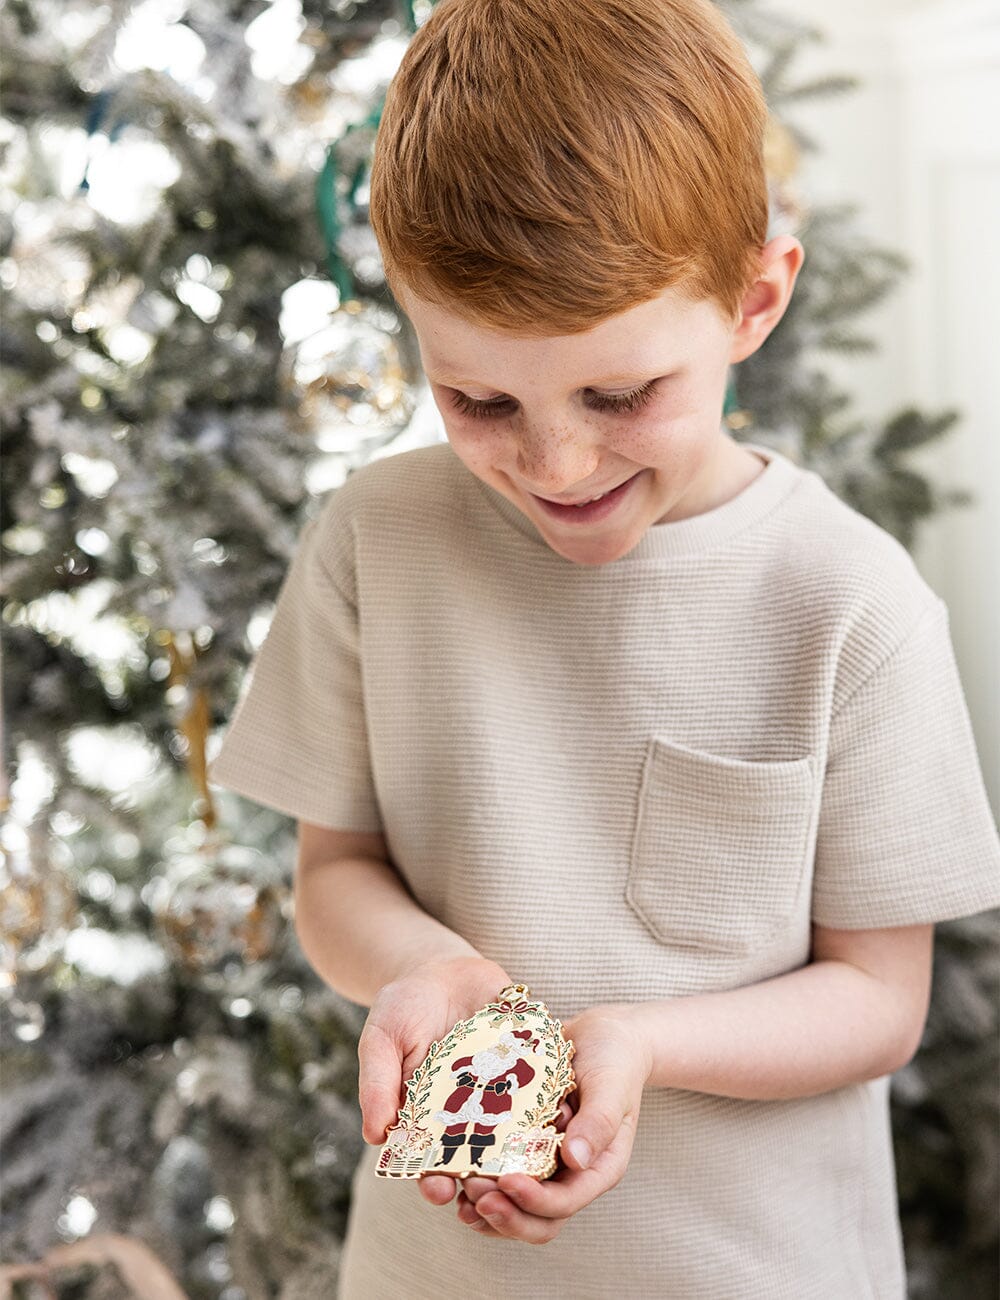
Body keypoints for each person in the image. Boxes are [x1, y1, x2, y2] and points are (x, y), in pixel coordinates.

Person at [206, 0, 1000, 1293]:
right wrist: (427, 966)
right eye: (478, 399)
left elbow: (878, 1003)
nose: (556, 462)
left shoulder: (851, 602)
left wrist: (640, 1042)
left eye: (619, 394)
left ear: (755, 300)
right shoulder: (376, 540)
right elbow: (334, 873)